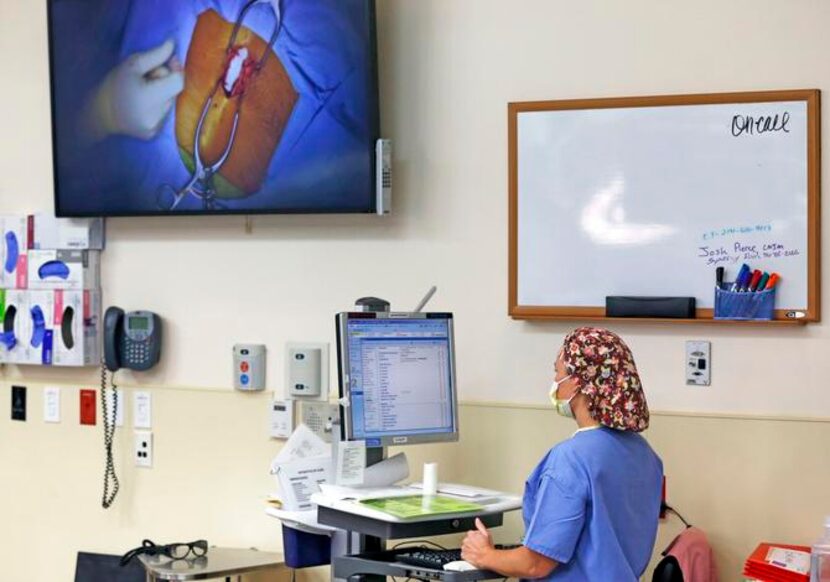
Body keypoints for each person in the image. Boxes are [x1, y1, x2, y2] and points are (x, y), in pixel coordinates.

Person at [461, 327, 663, 581]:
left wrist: (484, 554)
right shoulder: (645, 455)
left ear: (578, 382)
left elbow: (535, 564)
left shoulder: (571, 459)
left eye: (558, 372)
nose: (555, 381)